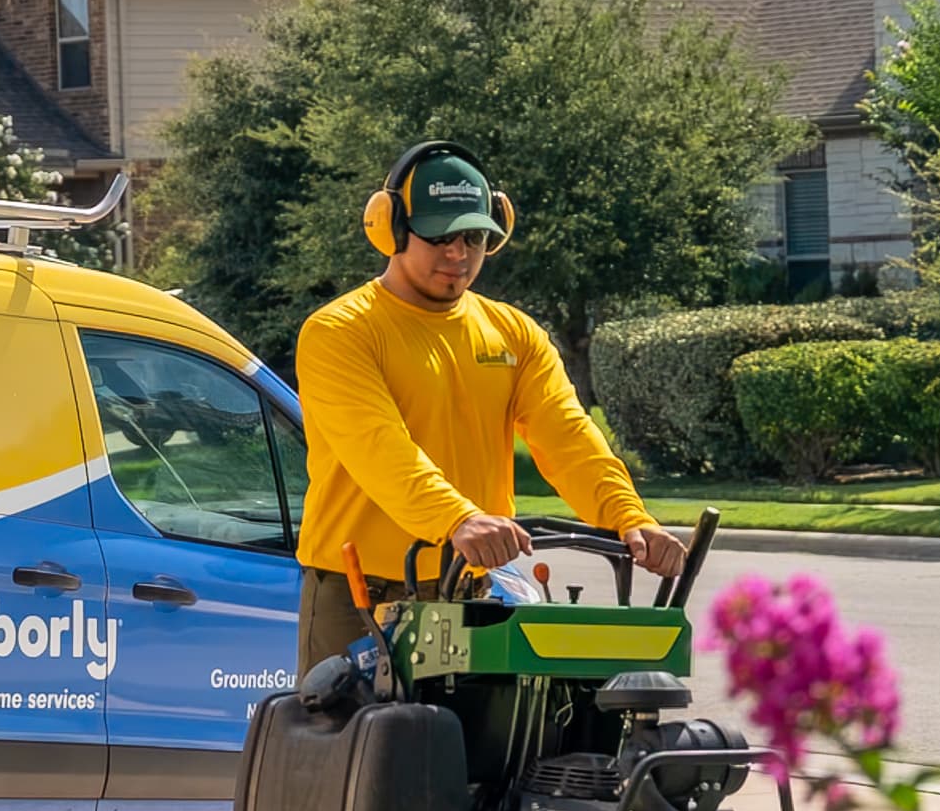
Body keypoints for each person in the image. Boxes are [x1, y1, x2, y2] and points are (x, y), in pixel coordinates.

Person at [290, 142, 688, 670]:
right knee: (359, 745)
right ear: (392, 228)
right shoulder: (341, 331)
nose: (458, 254)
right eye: (439, 236)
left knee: (465, 744)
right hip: (361, 596)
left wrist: (628, 516)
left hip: (467, 588)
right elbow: (378, 448)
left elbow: (568, 436)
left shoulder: (514, 333)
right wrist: (458, 518)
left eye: (474, 237)